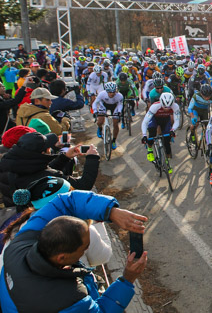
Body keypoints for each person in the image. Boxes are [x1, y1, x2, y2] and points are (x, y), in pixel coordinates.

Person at [0, 190, 148, 312]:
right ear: (62, 258)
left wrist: (110, 212)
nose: (87, 248)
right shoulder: (69, 299)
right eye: (84, 248)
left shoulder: (20, 242)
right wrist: (127, 279)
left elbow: (65, 202)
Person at [0, 130, 100, 206]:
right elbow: (83, 185)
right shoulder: (48, 176)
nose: (51, 149)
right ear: (43, 153)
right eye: (49, 147)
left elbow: (39, 172)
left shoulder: (12, 165)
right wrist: (92, 158)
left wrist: (64, 157)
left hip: (19, 212)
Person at [141, 92, 180, 172]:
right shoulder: (155, 106)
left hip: (165, 120)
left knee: (167, 141)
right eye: (165, 106)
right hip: (154, 119)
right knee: (152, 132)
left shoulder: (175, 106)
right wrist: (144, 135)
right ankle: (150, 150)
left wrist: (172, 130)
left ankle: (167, 161)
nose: (167, 108)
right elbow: (145, 122)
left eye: (169, 107)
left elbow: (177, 121)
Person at [91, 82, 123, 149]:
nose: (112, 94)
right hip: (104, 105)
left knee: (115, 123)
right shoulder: (102, 94)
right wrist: (95, 111)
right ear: (106, 91)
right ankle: (100, 128)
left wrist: (119, 112)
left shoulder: (119, 96)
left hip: (115, 107)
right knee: (100, 121)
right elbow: (95, 103)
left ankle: (114, 141)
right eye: (110, 92)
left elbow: (120, 105)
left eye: (113, 92)